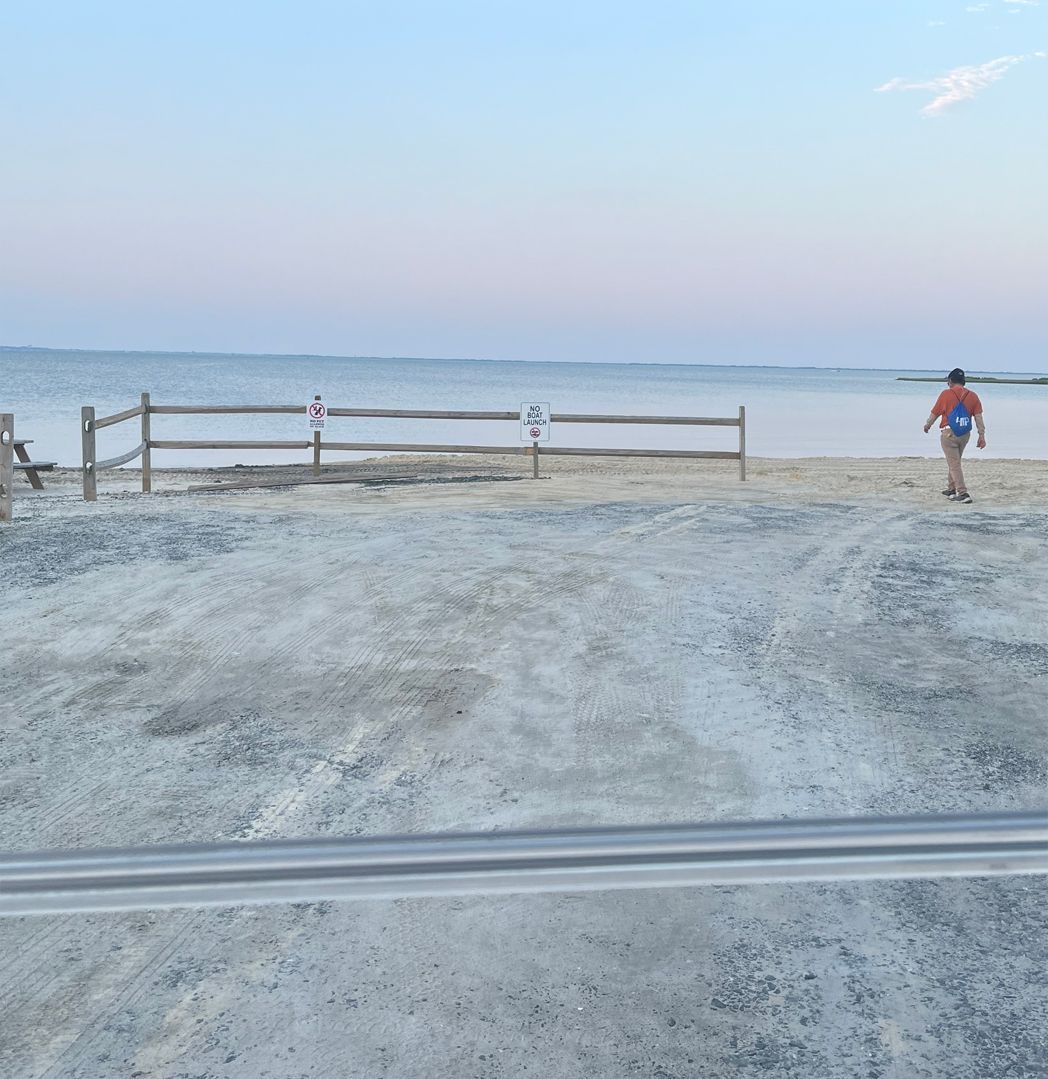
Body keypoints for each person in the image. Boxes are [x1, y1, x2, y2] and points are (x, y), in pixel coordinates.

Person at [923, 368, 986, 504]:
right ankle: (951, 489)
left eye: (948, 381)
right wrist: (981, 435)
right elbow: (978, 418)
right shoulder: (973, 396)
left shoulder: (946, 394)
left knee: (954, 463)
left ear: (950, 381)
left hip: (949, 433)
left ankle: (962, 493)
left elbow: (935, 413)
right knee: (954, 461)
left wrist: (928, 425)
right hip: (964, 434)